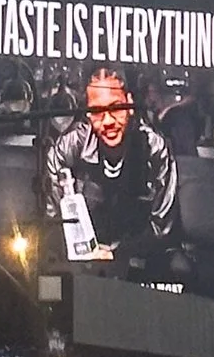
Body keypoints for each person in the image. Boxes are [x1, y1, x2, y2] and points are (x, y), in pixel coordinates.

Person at [39, 66, 187, 281]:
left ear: (129, 104)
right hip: (79, 259)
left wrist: (116, 254)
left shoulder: (154, 146)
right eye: (98, 111)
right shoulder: (67, 147)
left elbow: (162, 228)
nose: (107, 121)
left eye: (116, 108)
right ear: (88, 113)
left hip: (138, 256)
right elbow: (53, 220)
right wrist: (84, 253)